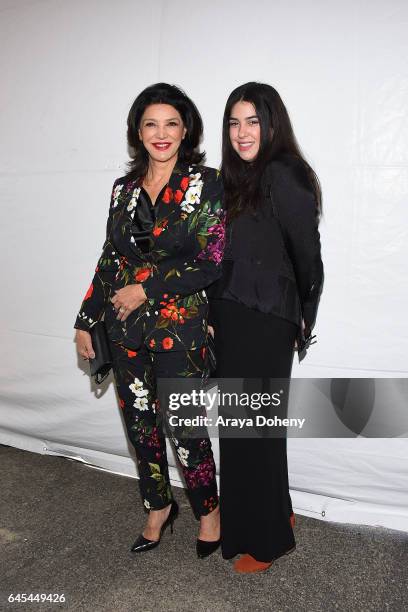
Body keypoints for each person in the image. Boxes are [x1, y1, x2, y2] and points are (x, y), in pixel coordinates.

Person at [74, 83, 225, 558]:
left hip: (180, 329)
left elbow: (213, 261)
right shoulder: (123, 190)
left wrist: (147, 288)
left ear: (186, 130)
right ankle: (157, 507)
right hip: (125, 328)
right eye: (150, 124)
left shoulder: (208, 183)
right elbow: (109, 258)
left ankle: (208, 511)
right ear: (138, 133)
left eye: (171, 123)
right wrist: (84, 318)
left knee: (184, 424)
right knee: (140, 424)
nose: (161, 134)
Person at [208, 82, 323, 573]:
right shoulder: (236, 180)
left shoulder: (286, 172)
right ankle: (278, 516)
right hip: (234, 316)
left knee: (250, 431)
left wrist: (302, 316)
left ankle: (264, 541)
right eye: (234, 122)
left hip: (268, 318)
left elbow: (308, 256)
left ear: (272, 123)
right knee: (248, 430)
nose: (242, 132)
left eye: (252, 120)